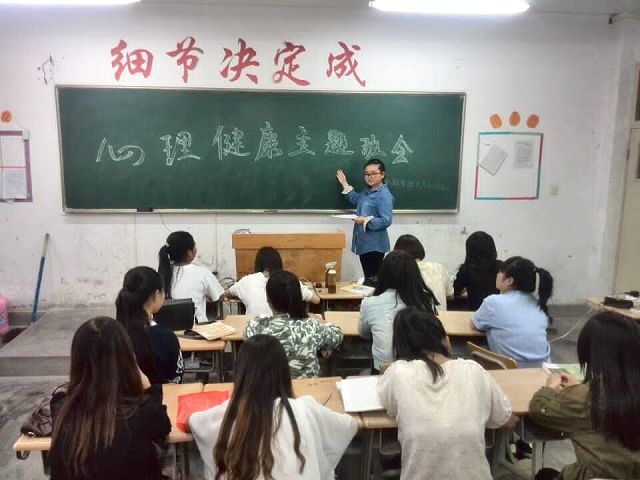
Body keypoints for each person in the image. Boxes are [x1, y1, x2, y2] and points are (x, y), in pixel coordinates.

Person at [188, 334, 358, 480]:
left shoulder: (228, 414)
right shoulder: (304, 409)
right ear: (284, 371)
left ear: (241, 374)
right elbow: (348, 425)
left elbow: (193, 422)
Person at [377, 308, 517, 480]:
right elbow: (504, 418)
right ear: (444, 340)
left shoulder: (398, 372)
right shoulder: (473, 370)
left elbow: (390, 407)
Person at [49, 317, 171, 480]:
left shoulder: (60, 407)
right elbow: (163, 427)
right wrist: (148, 386)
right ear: (128, 359)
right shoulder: (143, 412)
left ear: (76, 362)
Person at [529, 312, 640, 480]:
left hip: (595, 476)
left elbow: (539, 409)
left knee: (544, 475)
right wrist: (580, 388)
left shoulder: (585, 398)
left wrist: (549, 389)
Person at [244, 270, 343, 378]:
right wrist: (319, 320)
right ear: (298, 297)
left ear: (268, 299)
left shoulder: (255, 327)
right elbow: (337, 335)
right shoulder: (311, 326)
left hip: (270, 387)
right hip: (308, 388)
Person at [359, 250, 438, 372]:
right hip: (421, 371)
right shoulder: (426, 302)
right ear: (414, 275)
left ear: (383, 275)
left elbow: (363, 333)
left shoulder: (370, 303)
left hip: (383, 371)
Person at [472, 256, 553, 368]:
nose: (497, 275)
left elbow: (474, 324)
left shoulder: (493, 303)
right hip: (544, 370)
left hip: (511, 371)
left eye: (500, 272)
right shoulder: (539, 305)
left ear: (509, 280)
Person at [116, 266, 183, 384]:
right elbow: (175, 380)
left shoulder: (114, 333)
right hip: (159, 395)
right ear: (156, 294)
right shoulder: (164, 336)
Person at [336, 159, 394, 280]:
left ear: (382, 174)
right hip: (364, 243)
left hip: (375, 245)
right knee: (369, 278)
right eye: (367, 174)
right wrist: (344, 183)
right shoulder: (367, 191)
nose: (369, 177)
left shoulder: (384, 195)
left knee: (373, 280)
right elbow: (355, 199)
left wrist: (365, 220)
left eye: (373, 173)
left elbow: (386, 220)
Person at [224, 246, 320, 317]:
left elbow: (225, 294)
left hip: (256, 337)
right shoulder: (289, 280)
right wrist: (308, 287)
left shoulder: (247, 281)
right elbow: (316, 300)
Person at [158, 231, 224, 324]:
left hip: (169, 328)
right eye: (194, 246)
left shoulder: (162, 273)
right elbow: (220, 297)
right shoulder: (202, 272)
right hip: (197, 329)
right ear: (189, 252)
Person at [393, 234, 453, 310]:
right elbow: (450, 295)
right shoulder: (439, 267)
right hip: (442, 315)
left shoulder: (401, 271)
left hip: (416, 316)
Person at [453, 231, 502, 310]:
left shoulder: (466, 270)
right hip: (499, 311)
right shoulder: (502, 266)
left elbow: (455, 291)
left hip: (476, 312)